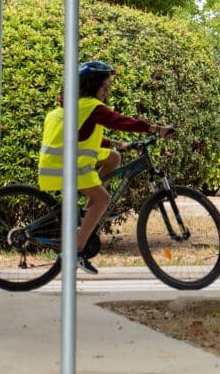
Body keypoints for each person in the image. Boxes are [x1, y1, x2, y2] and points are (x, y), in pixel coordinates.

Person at [37, 61, 174, 275]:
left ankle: (86, 212)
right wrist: (156, 129)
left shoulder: (77, 106)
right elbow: (121, 122)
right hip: (65, 165)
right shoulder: (91, 106)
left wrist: (118, 144)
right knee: (103, 199)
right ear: (92, 86)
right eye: (104, 86)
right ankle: (76, 251)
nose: (107, 90)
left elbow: (84, 134)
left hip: (64, 160)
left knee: (113, 158)